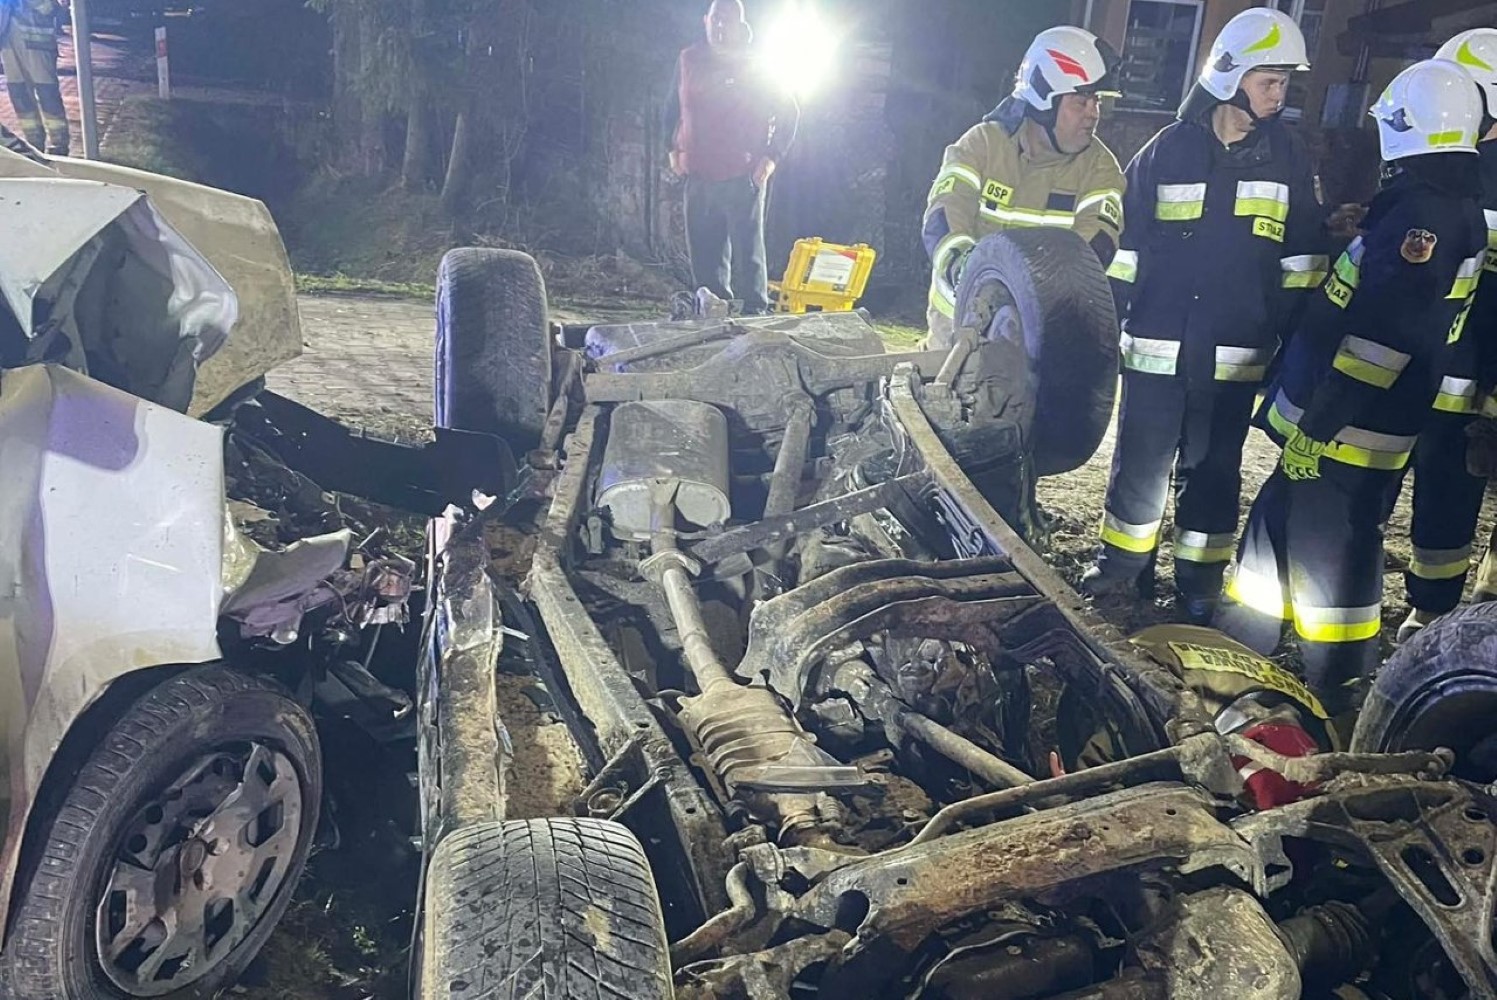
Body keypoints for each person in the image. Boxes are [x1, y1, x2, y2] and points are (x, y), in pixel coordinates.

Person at [1214, 58, 1488, 720]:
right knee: (1273, 532)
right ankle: (1233, 666)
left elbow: (1380, 343)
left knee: (1332, 562)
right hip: (1346, 424)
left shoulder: (1421, 222)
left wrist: (1317, 426)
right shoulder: (1435, 207)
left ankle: (1336, 694)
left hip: (1346, 431)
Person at [1081, 8, 1324, 623]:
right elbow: (1125, 253)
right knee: (1139, 467)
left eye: (1284, 83)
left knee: (1214, 473)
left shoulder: (1287, 159)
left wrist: (1291, 345)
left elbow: (1303, 262)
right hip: (1158, 348)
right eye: (1270, 80)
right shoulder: (1168, 151)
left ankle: (1198, 584)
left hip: (1237, 356)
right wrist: (1106, 328)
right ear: (1230, 77)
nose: (1279, 95)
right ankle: (1122, 573)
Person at [922, 26, 1125, 350]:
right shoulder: (983, 145)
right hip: (954, 338)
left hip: (1039, 348)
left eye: (1096, 102)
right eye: (1081, 101)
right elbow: (944, 215)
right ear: (1044, 99)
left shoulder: (1099, 169)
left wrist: (1026, 295)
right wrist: (966, 271)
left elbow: (1096, 246)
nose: (1093, 114)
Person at [1396, 28, 1497, 640]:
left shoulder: (1453, 171)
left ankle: (1435, 607)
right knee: (1446, 482)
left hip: (1458, 363)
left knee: (1446, 483)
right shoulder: (1457, 168)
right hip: (1465, 365)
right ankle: (1449, 603)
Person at [664, 0, 798, 316]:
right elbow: (671, 107)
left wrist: (770, 158)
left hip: (742, 174)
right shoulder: (688, 60)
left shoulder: (756, 65)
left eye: (728, 21)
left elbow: (789, 111)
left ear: (740, 26)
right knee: (704, 251)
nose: (721, 28)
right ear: (705, 21)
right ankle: (711, 310)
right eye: (716, 20)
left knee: (748, 253)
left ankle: (755, 312)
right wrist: (672, 151)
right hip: (697, 173)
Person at [1, 0, 68, 156]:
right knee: (19, 94)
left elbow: (51, 8)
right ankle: (34, 141)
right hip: (9, 42)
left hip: (37, 44)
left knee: (47, 94)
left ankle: (59, 143)